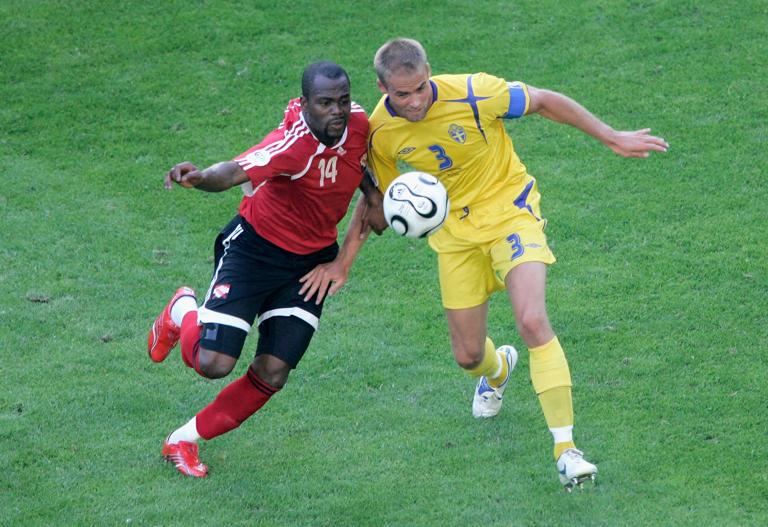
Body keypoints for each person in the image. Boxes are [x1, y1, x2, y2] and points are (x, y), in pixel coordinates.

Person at [303, 38, 668, 489]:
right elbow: (378, 200)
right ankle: (497, 372)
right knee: (468, 355)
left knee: (532, 320)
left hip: (510, 212)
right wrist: (344, 262)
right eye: (402, 94)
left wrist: (611, 136)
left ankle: (566, 449)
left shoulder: (475, 92)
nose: (414, 101)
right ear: (382, 88)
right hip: (454, 238)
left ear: (429, 73)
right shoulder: (380, 132)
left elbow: (543, 101)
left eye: (420, 88)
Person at [146, 61, 377, 477]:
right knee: (213, 364)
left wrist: (381, 203)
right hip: (253, 253)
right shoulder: (292, 144)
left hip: (309, 265)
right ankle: (182, 310)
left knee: (274, 371)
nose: (337, 111)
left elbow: (361, 171)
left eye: (343, 101)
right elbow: (233, 172)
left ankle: (182, 440)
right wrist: (199, 178)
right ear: (305, 104)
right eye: (325, 103)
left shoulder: (360, 125)